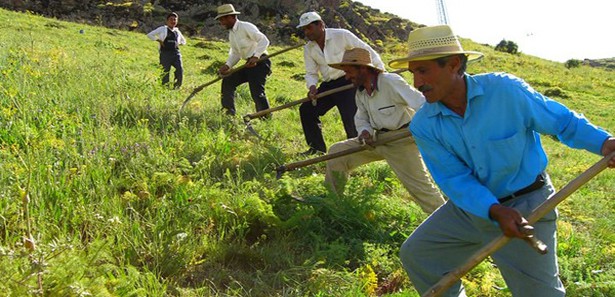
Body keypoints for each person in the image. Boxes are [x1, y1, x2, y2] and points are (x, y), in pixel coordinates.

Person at [388, 25, 615, 296]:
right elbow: (454, 179)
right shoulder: (424, 124)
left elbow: (562, 122)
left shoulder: (505, 92)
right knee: (420, 254)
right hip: (472, 209)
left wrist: (604, 143)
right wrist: (494, 211)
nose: (417, 83)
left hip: (528, 206)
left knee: (540, 293)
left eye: (423, 71)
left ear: (453, 64)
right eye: (413, 73)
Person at [324, 48, 445, 214]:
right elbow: (361, 119)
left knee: (420, 188)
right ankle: (332, 205)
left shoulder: (390, 82)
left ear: (363, 68)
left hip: (402, 140)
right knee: (338, 152)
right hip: (377, 139)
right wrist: (365, 132)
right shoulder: (360, 93)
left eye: (349, 72)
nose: (346, 77)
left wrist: (425, 126)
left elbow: (421, 103)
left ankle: (449, 222)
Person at [296, 12, 385, 155]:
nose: (307, 32)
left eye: (309, 28)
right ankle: (316, 148)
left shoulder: (342, 35)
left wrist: (380, 73)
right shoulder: (309, 48)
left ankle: (358, 150)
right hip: (328, 85)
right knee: (307, 110)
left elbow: (367, 52)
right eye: (304, 29)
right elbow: (311, 73)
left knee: (350, 116)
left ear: (321, 25)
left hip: (348, 81)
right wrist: (312, 87)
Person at [215, 4, 271, 116]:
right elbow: (236, 53)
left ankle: (265, 117)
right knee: (228, 80)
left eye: (222, 19)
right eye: (220, 20)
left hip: (260, 62)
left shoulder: (245, 27)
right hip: (248, 64)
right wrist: (227, 66)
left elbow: (264, 40)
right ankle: (228, 112)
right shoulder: (232, 34)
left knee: (256, 92)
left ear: (231, 17)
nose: (221, 23)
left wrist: (256, 56)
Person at [147, 12, 186, 89]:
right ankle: (165, 87)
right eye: (171, 19)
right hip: (165, 53)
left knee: (180, 69)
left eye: (175, 20)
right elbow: (150, 35)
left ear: (177, 21)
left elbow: (184, 41)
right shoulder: (162, 29)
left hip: (176, 53)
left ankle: (177, 86)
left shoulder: (177, 31)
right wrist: (159, 40)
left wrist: (178, 44)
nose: (173, 21)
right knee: (165, 71)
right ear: (167, 21)